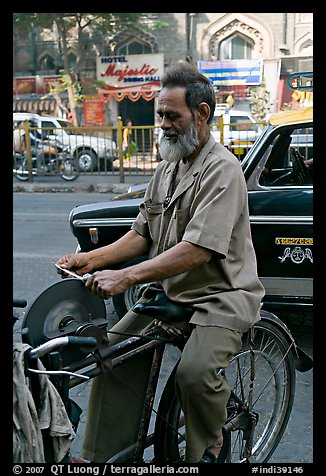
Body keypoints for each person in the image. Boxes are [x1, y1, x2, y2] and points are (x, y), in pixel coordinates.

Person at [56, 62, 265, 464]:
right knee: (110, 354)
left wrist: (125, 277)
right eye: (160, 116)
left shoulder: (223, 170)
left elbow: (198, 250)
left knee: (194, 374)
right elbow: (140, 235)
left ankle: (211, 444)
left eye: (173, 116)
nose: (163, 125)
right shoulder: (169, 165)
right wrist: (88, 260)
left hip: (221, 296)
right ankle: (106, 456)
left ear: (201, 114)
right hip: (171, 289)